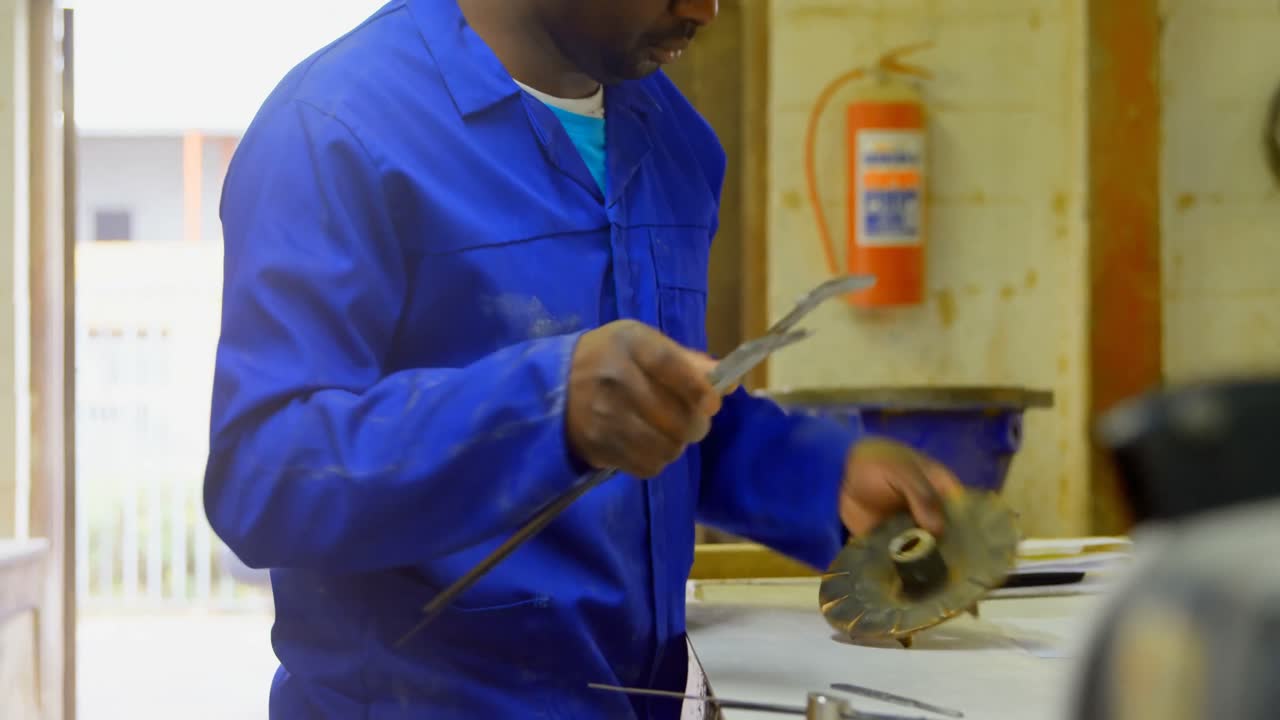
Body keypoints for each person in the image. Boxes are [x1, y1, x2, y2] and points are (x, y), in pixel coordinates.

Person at [203, 0, 962, 717]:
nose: (705, 9)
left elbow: (655, 410)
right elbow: (264, 477)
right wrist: (542, 410)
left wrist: (817, 478)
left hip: (643, 695)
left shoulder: (672, 138)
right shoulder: (334, 131)